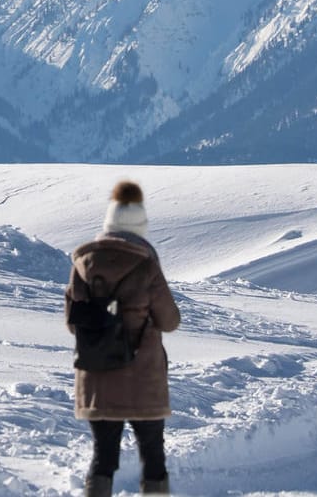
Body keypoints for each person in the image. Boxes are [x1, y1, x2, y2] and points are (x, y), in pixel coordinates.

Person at [67, 180, 181, 496]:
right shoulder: (146, 263)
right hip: (142, 377)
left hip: (96, 375)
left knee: (102, 458)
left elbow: (72, 322)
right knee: (153, 458)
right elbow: (169, 320)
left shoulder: (82, 264)